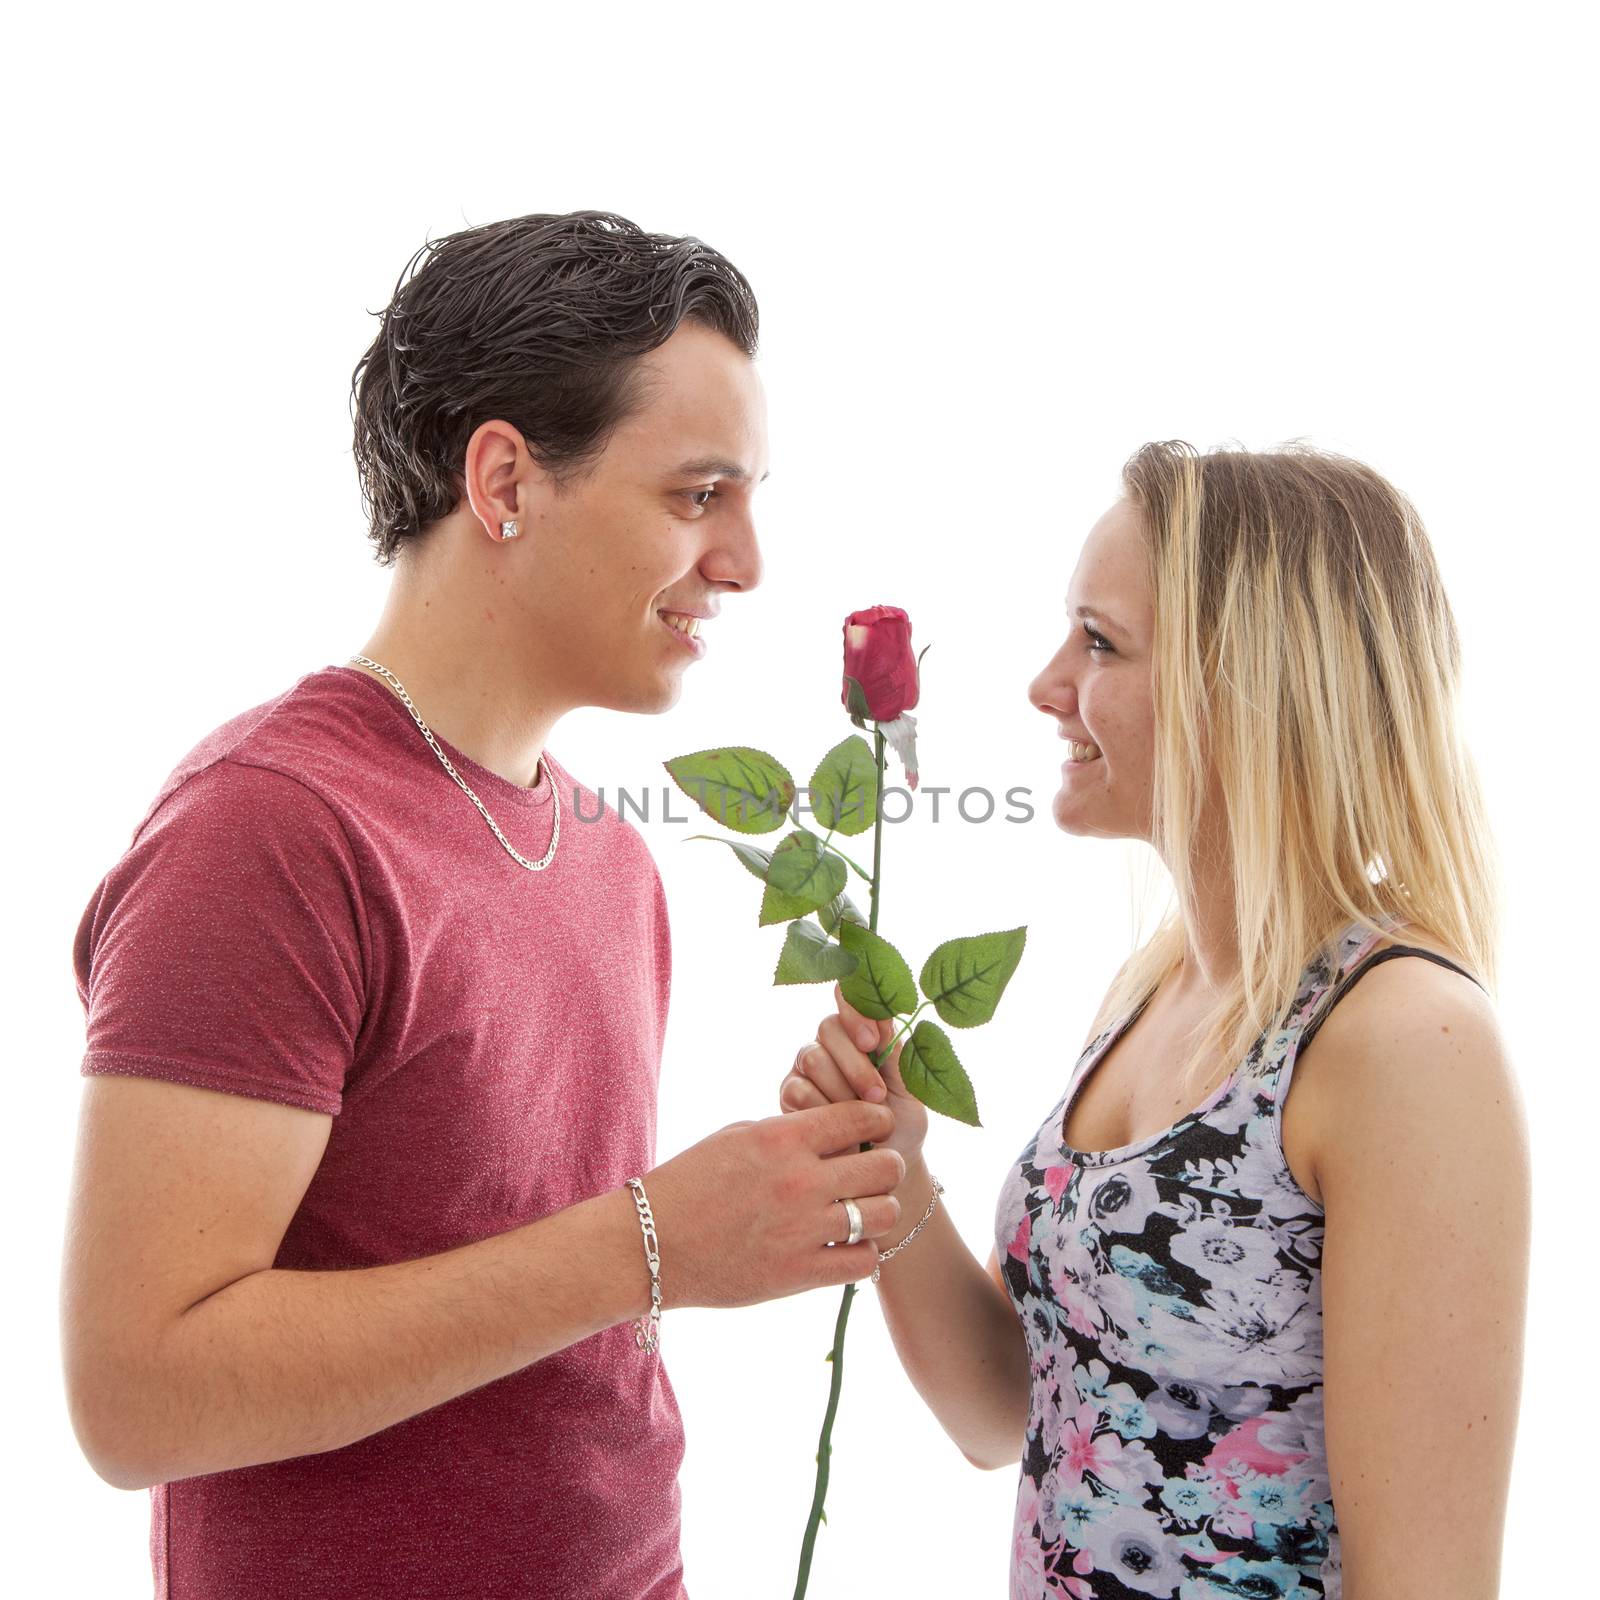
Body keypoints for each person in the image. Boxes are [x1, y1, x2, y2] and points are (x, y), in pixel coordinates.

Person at [60, 210, 906, 1600]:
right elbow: (137, 1394)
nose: (748, 562)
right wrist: (648, 1243)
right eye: (699, 497)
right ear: (504, 479)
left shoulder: (609, 860)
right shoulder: (269, 828)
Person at [781, 441, 1529, 1599]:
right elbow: (1006, 1413)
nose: (1043, 684)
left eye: (1098, 640)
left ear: (1254, 684)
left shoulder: (1402, 1039)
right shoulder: (1152, 985)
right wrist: (895, 1163)